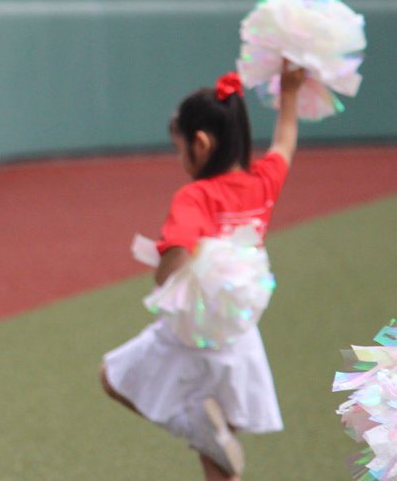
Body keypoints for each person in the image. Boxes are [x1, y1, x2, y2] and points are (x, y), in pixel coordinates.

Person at [99, 64, 306, 480]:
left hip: (187, 334)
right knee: (221, 462)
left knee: (112, 377)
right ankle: (207, 432)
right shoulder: (261, 184)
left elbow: (178, 250)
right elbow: (284, 143)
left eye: (180, 149)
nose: (181, 159)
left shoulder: (195, 196)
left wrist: (163, 273)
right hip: (238, 334)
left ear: (202, 142)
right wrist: (290, 93)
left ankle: (194, 427)